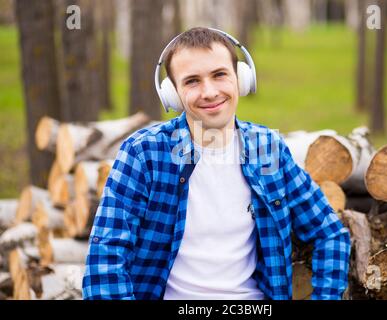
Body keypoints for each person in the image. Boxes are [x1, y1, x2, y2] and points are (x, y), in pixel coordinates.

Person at [82, 27, 351, 300]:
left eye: (219, 75)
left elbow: (330, 233)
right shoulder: (144, 153)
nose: (209, 92)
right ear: (173, 94)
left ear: (241, 79)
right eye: (192, 81)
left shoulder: (268, 149)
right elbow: (106, 255)